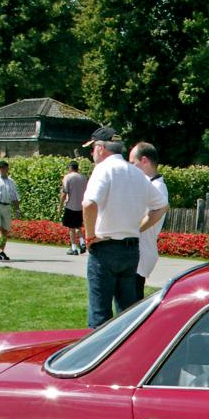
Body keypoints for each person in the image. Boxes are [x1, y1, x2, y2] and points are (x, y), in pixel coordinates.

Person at [82, 127, 153, 327]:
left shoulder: (103, 169)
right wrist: (139, 227)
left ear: (101, 148)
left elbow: (88, 204)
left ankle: (97, 356)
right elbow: (160, 206)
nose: (92, 154)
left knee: (99, 317)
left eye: (93, 149)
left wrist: (90, 236)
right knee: (127, 317)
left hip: (104, 247)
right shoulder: (137, 173)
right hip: (130, 249)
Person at [128, 141, 170, 300]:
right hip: (141, 250)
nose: (130, 167)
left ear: (144, 161)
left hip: (141, 251)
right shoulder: (151, 184)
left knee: (131, 301)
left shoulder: (156, 187)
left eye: (133, 163)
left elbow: (159, 210)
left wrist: (133, 231)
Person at [60, 159, 87, 255]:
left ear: (70, 168)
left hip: (70, 206)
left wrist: (60, 205)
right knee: (78, 227)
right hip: (81, 206)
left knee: (71, 228)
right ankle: (83, 243)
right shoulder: (83, 178)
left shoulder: (68, 177)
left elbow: (64, 192)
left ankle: (74, 248)